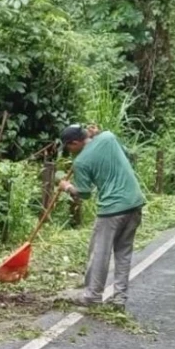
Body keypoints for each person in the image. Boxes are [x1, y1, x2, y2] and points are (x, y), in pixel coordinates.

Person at [58, 124, 147, 308]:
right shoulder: (108, 137)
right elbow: (127, 154)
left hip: (112, 209)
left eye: (68, 147)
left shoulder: (81, 162)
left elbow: (84, 193)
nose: (68, 151)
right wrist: (98, 135)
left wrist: (67, 187)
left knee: (100, 253)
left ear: (75, 142)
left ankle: (92, 296)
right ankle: (119, 299)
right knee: (123, 253)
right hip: (135, 202)